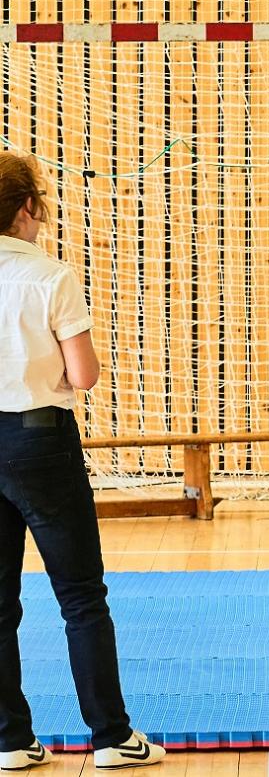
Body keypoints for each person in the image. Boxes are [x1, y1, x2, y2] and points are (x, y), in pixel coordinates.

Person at [0, 153, 165, 771]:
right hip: (41, 440)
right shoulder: (51, 276)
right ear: (27, 210)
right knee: (80, 595)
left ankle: (10, 740)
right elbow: (85, 375)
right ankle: (110, 736)